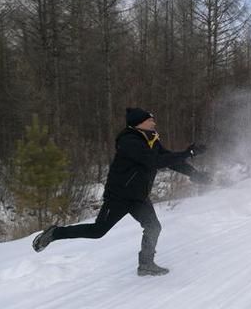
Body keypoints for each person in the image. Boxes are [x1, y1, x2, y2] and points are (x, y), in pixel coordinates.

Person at [32, 108, 211, 276]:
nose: (154, 123)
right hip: (119, 196)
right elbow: (154, 161)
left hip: (139, 196)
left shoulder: (151, 139)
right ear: (139, 123)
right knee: (97, 231)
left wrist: (195, 174)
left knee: (153, 226)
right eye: (150, 120)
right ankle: (55, 233)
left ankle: (146, 264)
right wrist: (189, 152)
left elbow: (170, 160)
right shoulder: (129, 141)